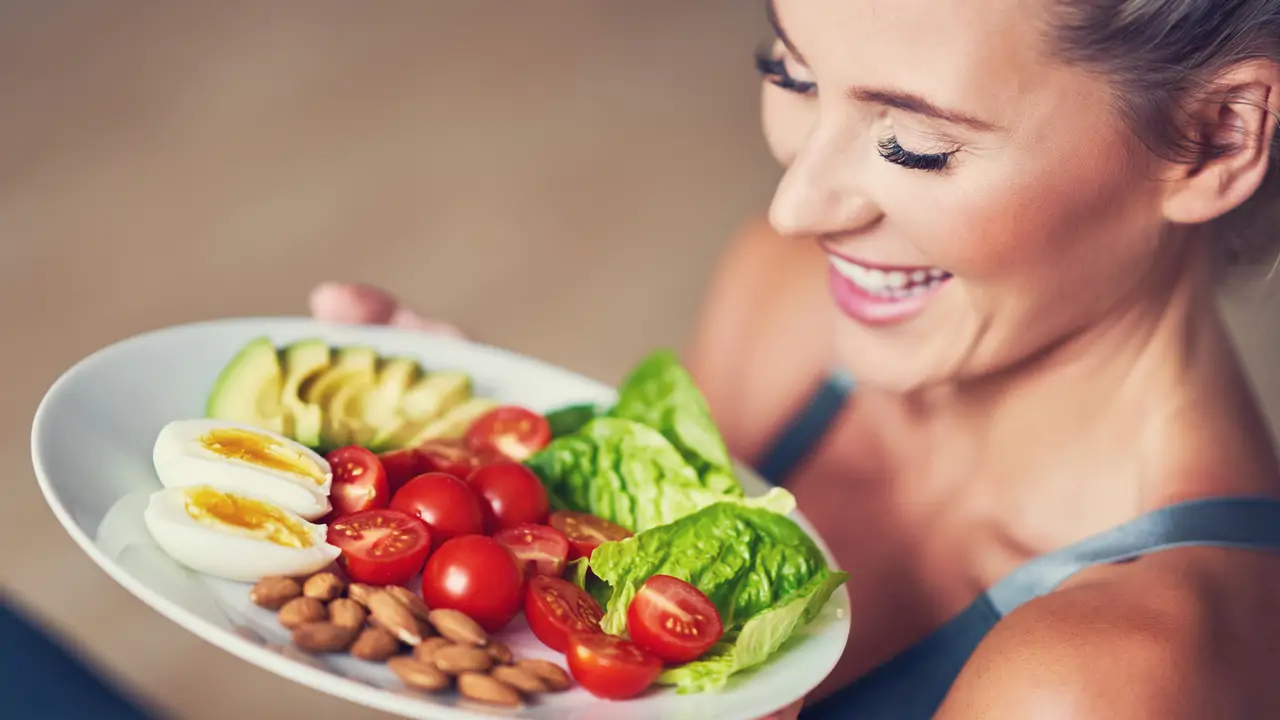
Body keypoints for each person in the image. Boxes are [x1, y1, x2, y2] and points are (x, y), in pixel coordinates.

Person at [313, 0, 1280, 717]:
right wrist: (492, 484)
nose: (796, 208)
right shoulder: (788, 300)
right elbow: (623, 626)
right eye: (793, 73)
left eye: (912, 145)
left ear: (1214, 138)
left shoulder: (1112, 677)